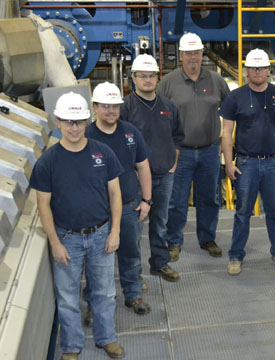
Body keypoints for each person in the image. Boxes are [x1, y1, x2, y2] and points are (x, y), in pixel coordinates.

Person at [30, 92, 125, 360]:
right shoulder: (48, 161)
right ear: (58, 123)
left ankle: (107, 338)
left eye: (79, 121)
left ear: (87, 121)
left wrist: (115, 231)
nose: (74, 128)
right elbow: (43, 205)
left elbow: (115, 194)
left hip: (101, 235)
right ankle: (72, 346)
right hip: (66, 238)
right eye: (68, 122)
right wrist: (55, 243)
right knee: (68, 296)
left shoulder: (102, 153)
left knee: (104, 292)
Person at [157, 33, 230, 260]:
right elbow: (157, 114)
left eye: (196, 53)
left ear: (201, 55)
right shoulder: (168, 83)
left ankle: (207, 238)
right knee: (176, 201)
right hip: (180, 152)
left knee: (209, 198)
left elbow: (229, 109)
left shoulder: (216, 81)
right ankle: (174, 242)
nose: (193, 58)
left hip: (209, 151)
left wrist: (224, 139)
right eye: (188, 54)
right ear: (181, 56)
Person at [220, 48, 275, 275]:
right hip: (246, 163)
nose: (258, 72)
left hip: (272, 163)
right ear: (246, 71)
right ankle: (236, 256)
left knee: (274, 212)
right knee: (242, 212)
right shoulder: (235, 97)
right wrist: (229, 163)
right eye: (253, 68)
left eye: (261, 68)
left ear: (268, 70)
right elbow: (226, 132)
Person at [86, 82, 152, 315]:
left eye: (115, 106)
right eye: (106, 106)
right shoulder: (85, 135)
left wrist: (146, 200)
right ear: (95, 107)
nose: (111, 111)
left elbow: (143, 167)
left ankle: (133, 295)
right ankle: (95, 303)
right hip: (97, 211)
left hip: (128, 206)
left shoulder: (130, 132)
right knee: (95, 260)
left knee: (130, 252)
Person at [121, 54, 185, 282]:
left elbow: (177, 136)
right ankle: (134, 275)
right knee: (134, 229)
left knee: (160, 223)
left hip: (164, 175)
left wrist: (173, 163)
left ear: (158, 77)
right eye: (142, 76)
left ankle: (159, 263)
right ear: (133, 79)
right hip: (135, 179)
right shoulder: (126, 108)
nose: (147, 80)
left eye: (151, 76)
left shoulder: (168, 107)